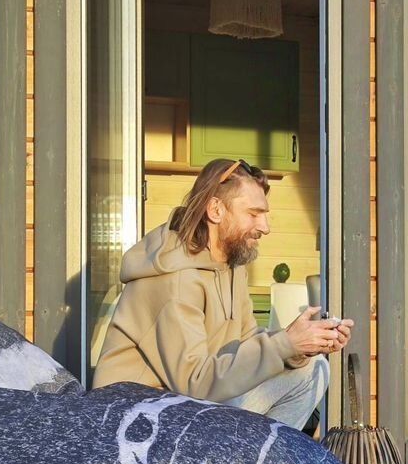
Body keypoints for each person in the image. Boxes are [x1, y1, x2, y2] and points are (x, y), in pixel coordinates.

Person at [94, 158, 352, 431]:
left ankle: (261, 455)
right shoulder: (175, 280)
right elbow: (195, 382)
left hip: (186, 405)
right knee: (298, 376)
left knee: (311, 369)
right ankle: (254, 454)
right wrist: (284, 344)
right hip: (138, 419)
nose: (265, 227)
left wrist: (299, 348)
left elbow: (246, 343)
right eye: (253, 214)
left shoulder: (230, 266)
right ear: (216, 210)